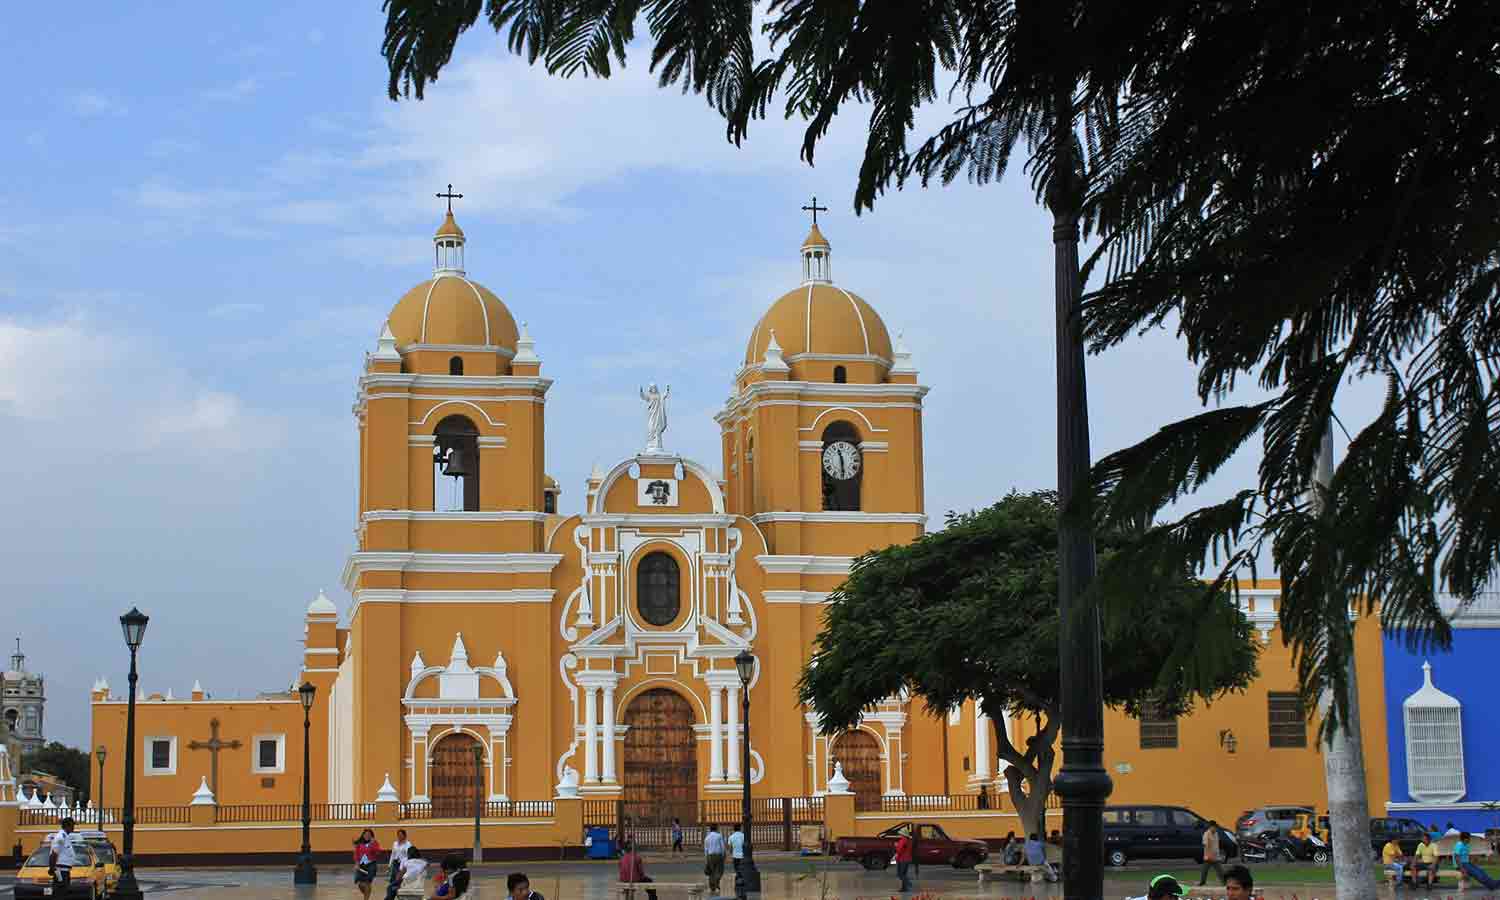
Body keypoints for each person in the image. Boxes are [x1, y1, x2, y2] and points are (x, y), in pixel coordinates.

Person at [48, 816, 77, 893]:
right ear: (68, 826)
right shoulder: (60, 837)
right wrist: (52, 868)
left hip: (65, 871)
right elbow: (53, 854)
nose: (73, 827)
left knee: (64, 893)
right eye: (72, 825)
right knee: (60, 893)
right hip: (60, 872)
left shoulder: (65, 836)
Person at [353, 828, 384, 898]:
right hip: (361, 865)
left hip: (371, 865)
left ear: (371, 836)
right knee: (360, 884)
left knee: (367, 883)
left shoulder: (374, 843)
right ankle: (367, 894)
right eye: (366, 834)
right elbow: (356, 854)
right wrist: (357, 864)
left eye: (369, 835)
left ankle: (366, 898)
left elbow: (378, 853)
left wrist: (372, 844)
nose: (367, 836)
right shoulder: (359, 843)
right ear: (363, 835)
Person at [384, 828, 412, 900]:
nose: (399, 836)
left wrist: (405, 865)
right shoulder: (395, 843)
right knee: (393, 881)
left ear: (404, 835)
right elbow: (393, 854)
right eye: (398, 835)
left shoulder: (408, 844)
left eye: (401, 835)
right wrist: (389, 865)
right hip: (395, 863)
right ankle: (391, 897)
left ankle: (390, 897)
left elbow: (409, 855)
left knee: (398, 882)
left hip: (403, 865)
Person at [1199, 821, 1226, 886]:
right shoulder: (1206, 834)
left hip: (1216, 856)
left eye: (1216, 827)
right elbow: (1206, 846)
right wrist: (1208, 856)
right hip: (1209, 855)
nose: (1216, 828)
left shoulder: (1216, 833)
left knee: (1220, 870)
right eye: (1214, 827)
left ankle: (1224, 882)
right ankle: (1202, 882)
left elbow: (1217, 845)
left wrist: (1218, 855)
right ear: (1211, 827)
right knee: (1205, 870)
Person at [703, 823, 726, 895]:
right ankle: (717, 883)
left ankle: (712, 887)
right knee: (719, 871)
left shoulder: (707, 837)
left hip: (710, 856)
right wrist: (723, 855)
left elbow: (706, 849)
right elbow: (722, 847)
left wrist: (706, 859)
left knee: (711, 872)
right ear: (716, 828)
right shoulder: (719, 836)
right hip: (718, 855)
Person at [728, 822, 746, 889]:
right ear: (740, 828)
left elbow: (730, 848)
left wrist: (731, 854)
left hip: (735, 856)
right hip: (743, 856)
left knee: (737, 869)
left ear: (734, 829)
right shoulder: (743, 836)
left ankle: (738, 880)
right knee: (743, 869)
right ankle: (742, 880)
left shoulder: (731, 837)